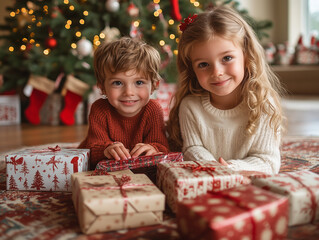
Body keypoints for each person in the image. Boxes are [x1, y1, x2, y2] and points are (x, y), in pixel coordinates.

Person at [167, 6, 285, 174]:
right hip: (207, 180)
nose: (217, 72)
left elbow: (267, 161)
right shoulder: (190, 106)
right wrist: (214, 168)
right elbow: (192, 148)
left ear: (247, 56)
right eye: (203, 64)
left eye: (227, 58)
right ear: (192, 68)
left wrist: (231, 168)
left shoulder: (264, 105)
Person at [79, 37, 169, 170]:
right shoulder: (99, 109)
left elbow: (162, 147)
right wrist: (107, 149)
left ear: (154, 86)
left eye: (139, 82)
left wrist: (153, 149)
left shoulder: (153, 110)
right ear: (102, 87)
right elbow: (92, 151)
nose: (128, 92)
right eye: (117, 83)